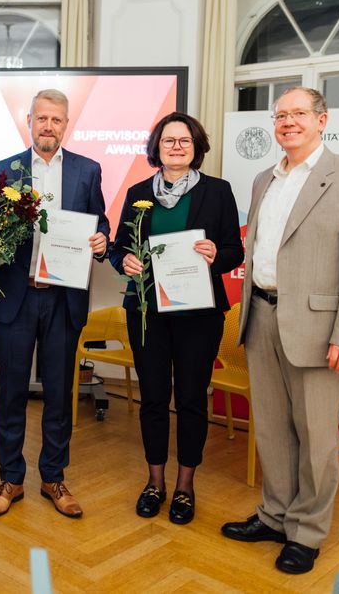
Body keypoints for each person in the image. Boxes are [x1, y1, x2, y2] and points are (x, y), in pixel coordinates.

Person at [221, 87, 339, 574]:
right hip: (262, 317)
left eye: (297, 114)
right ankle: (275, 516)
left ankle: (307, 532)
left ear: (321, 120)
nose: (287, 122)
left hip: (319, 328)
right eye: (280, 115)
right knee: (271, 430)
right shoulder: (262, 179)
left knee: (315, 437)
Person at [0, 88, 110, 519]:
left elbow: (99, 222)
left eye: (57, 120)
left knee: (59, 394)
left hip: (63, 299)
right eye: (41, 119)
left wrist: (102, 241)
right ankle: (10, 477)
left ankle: (53, 476)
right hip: (17, 296)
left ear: (66, 125)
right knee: (11, 391)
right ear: (29, 121)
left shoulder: (88, 171)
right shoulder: (5, 170)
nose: (48, 126)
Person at [109, 112, 243, 525]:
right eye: (169, 141)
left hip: (198, 316)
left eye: (185, 140)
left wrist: (214, 256)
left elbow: (234, 252)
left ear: (196, 146)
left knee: (189, 399)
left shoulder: (218, 192)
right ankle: (155, 482)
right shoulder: (136, 193)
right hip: (148, 313)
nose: (177, 147)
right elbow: (118, 249)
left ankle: (185, 485)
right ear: (157, 147)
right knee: (152, 399)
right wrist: (125, 260)